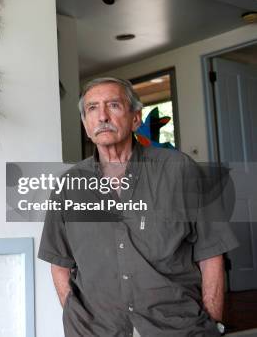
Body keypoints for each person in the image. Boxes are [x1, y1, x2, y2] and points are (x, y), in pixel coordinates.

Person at [38, 77, 238, 336]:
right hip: (95, 330)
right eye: (92, 109)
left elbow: (211, 253)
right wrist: (76, 318)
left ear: (135, 118)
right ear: (86, 125)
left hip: (176, 328)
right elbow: (59, 263)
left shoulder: (180, 170)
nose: (102, 116)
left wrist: (213, 323)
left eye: (113, 105)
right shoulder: (68, 185)